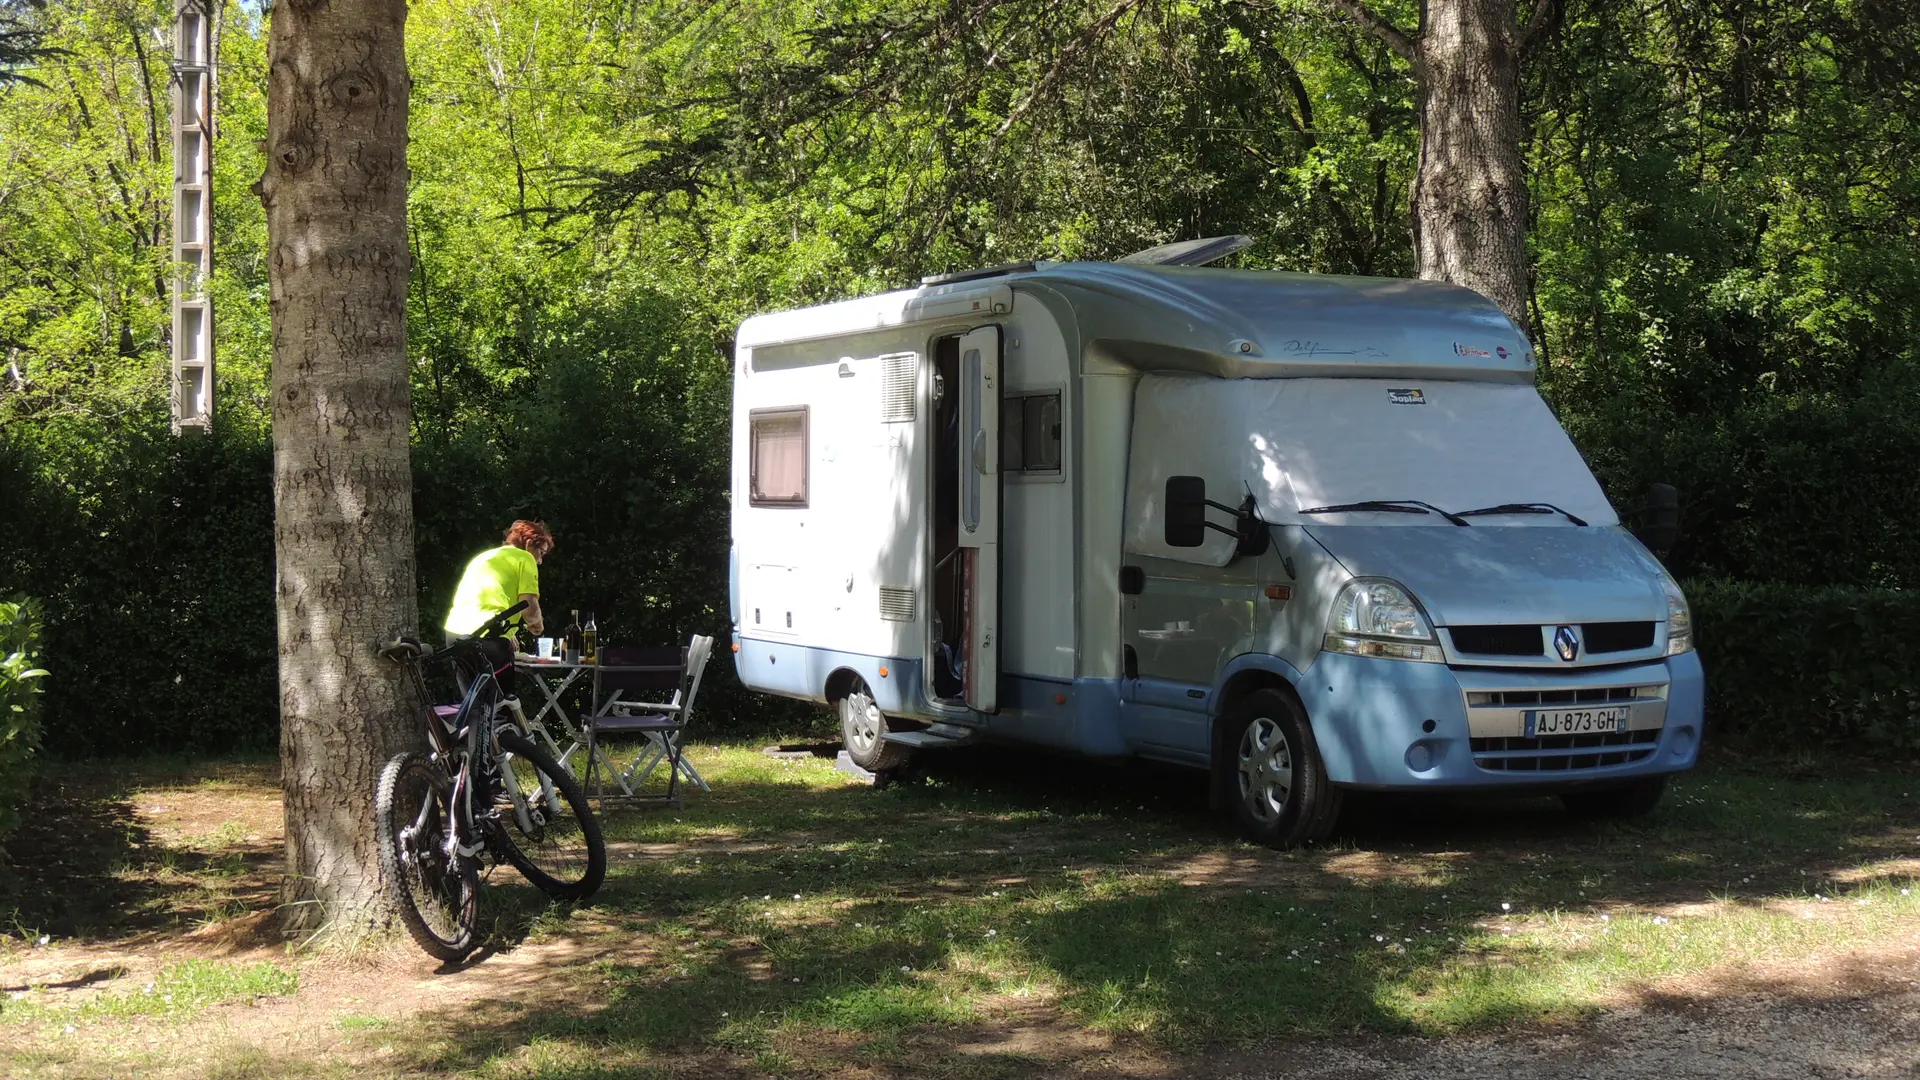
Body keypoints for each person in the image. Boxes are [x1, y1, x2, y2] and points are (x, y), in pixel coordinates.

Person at [444, 519, 553, 697]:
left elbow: (486, 602)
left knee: (474, 704)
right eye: (541, 552)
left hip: (455, 633)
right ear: (528, 543)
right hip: (487, 637)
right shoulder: (524, 557)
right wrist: (537, 624)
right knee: (501, 706)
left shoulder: (484, 557)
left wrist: (507, 633)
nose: (540, 560)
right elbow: (529, 606)